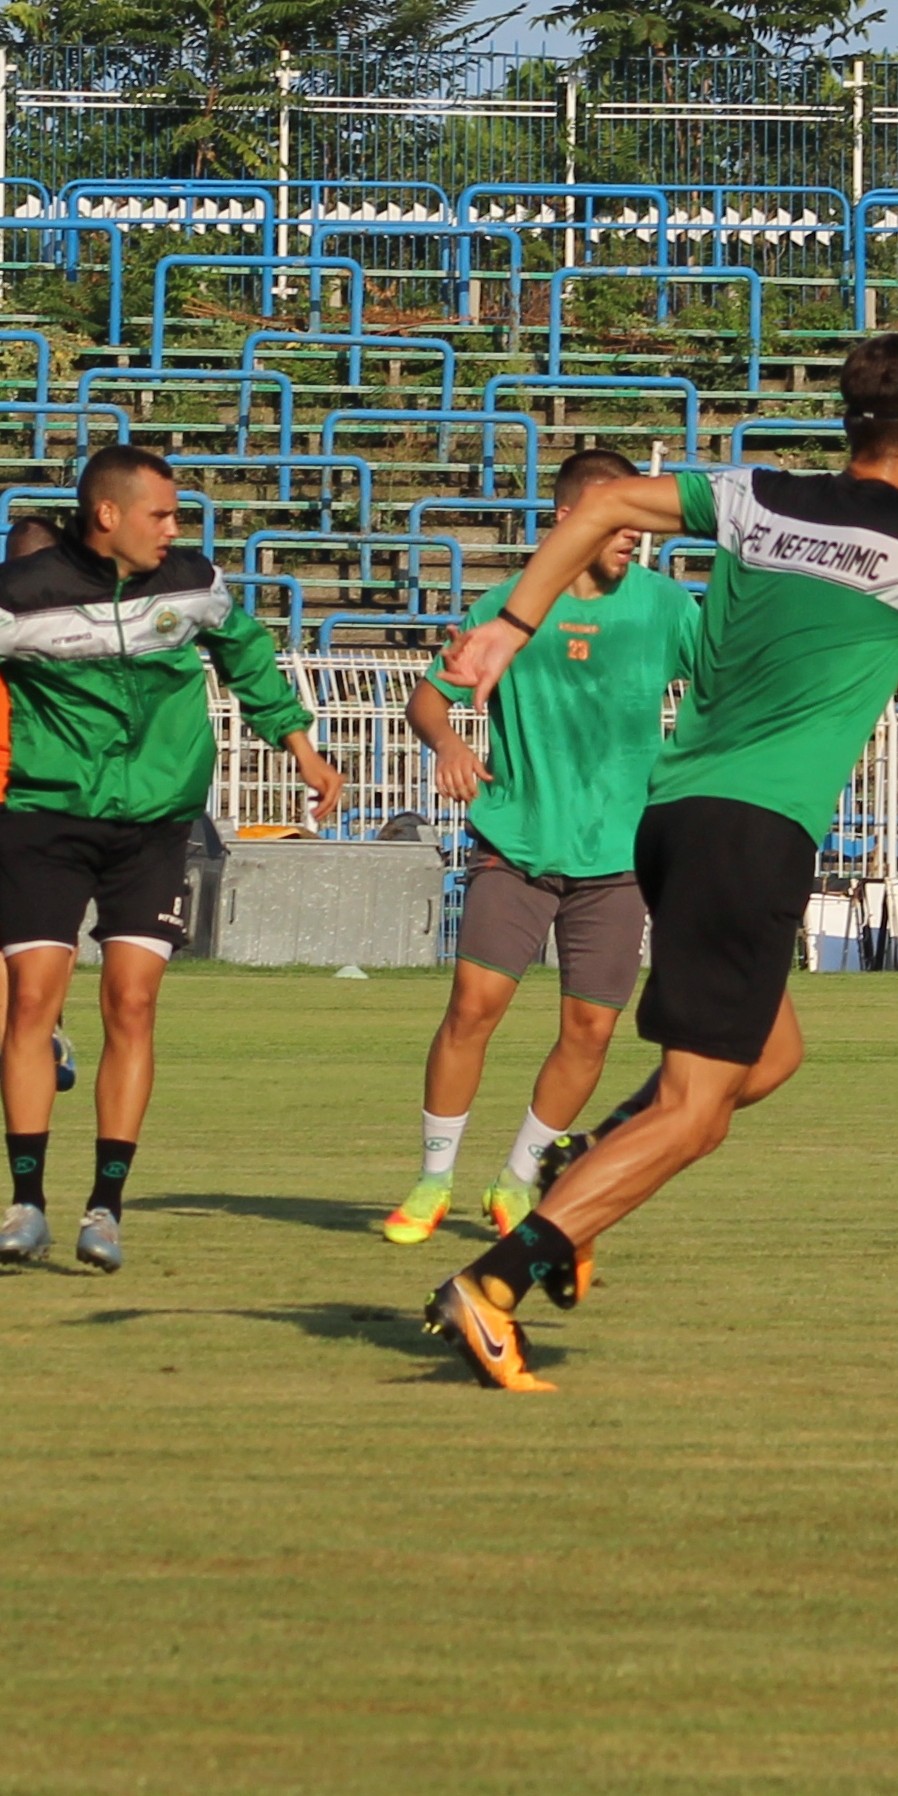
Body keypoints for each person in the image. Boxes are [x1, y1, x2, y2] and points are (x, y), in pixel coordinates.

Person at [418, 332, 898, 1388]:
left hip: (672, 819)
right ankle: (496, 1280)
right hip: (754, 831)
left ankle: (587, 1165)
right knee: (695, 1110)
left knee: (767, 1059)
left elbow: (601, 505)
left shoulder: (756, 496)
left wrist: (506, 628)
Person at [0, 442, 343, 1272]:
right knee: (33, 1003)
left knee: (132, 1004)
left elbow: (245, 653)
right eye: (162, 515)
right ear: (108, 515)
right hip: (46, 819)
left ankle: (106, 1207)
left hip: (155, 823)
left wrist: (300, 745)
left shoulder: (193, 584)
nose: (175, 530)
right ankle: (25, 1202)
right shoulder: (10, 596)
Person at [381, 441, 700, 1243]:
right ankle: (430, 1181)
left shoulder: (666, 607)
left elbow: (722, 685)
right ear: (570, 518)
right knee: (473, 1008)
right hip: (516, 842)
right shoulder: (505, 607)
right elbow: (428, 699)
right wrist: (450, 744)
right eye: (621, 515)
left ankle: (517, 1179)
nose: (635, 532)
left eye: (641, 518)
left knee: (591, 1029)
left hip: (620, 860)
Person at [0, 509, 78, 1099]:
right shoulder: (3, 617)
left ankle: (30, 1044)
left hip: (26, 789)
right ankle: (26, 1049)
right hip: (19, 789)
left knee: (27, 933)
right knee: (25, 931)